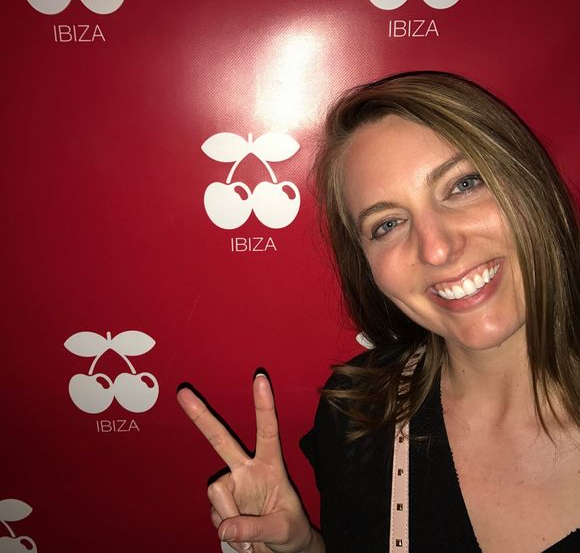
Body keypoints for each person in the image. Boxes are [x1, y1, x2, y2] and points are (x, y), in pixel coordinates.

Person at [177, 71, 580, 552]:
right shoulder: (358, 418)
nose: (436, 249)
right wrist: (303, 548)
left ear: (528, 183)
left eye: (463, 184)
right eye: (388, 224)